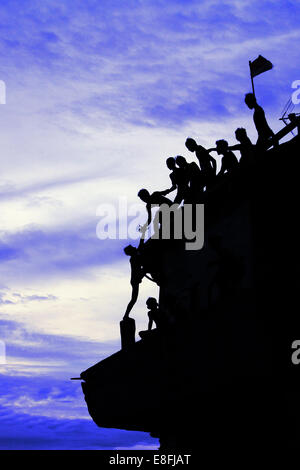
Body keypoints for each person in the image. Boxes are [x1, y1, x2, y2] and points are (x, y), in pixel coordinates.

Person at [123, 236, 146, 320]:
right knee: (133, 299)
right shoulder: (134, 258)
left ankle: (126, 315)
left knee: (133, 299)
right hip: (135, 279)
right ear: (131, 251)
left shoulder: (135, 255)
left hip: (136, 278)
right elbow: (141, 243)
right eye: (132, 247)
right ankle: (126, 315)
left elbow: (141, 242)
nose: (134, 247)